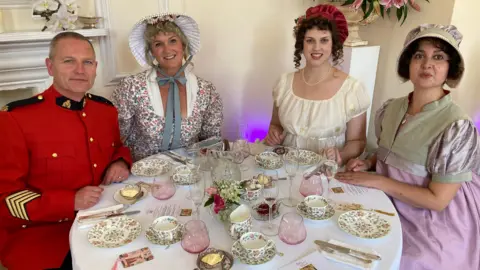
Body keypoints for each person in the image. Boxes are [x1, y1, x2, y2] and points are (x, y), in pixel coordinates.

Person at [336, 24, 480, 270]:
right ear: (408, 64)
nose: (427, 64)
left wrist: (378, 181)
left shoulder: (456, 126)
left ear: (450, 68)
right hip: (388, 201)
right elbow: (390, 155)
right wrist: (370, 163)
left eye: (438, 57)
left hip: (433, 220)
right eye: (418, 55)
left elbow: (438, 201)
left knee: (406, 260)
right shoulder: (391, 109)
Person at [0, 32, 132, 270]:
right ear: (50, 67)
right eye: (69, 61)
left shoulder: (105, 111)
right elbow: (6, 199)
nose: (80, 70)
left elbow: (118, 148)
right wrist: (70, 201)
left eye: (87, 62)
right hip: (46, 238)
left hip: (106, 221)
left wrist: (120, 162)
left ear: (95, 68)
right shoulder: (15, 119)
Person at [264, 4, 371, 165]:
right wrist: (274, 133)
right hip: (285, 169)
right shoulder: (284, 83)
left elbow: (357, 141)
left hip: (326, 174)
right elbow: (276, 125)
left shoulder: (351, 90)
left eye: (324, 40)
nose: (316, 47)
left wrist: (340, 154)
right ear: (302, 43)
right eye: (310, 40)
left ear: (333, 43)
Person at [112, 13, 224, 162]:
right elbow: (115, 137)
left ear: (183, 45)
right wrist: (119, 163)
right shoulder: (131, 87)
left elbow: (211, 140)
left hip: (189, 173)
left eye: (172, 41)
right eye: (158, 44)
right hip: (143, 177)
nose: (167, 49)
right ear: (151, 52)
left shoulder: (206, 91)